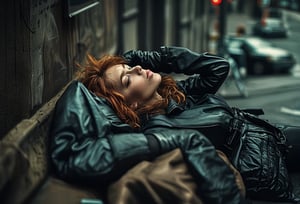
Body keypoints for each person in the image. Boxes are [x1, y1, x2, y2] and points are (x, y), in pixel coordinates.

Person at [50, 46, 299, 203]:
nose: (138, 68)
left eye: (130, 67)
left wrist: (149, 58)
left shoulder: (175, 94)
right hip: (261, 163)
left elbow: (218, 67)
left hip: (270, 133)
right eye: (128, 78)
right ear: (131, 105)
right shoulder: (161, 127)